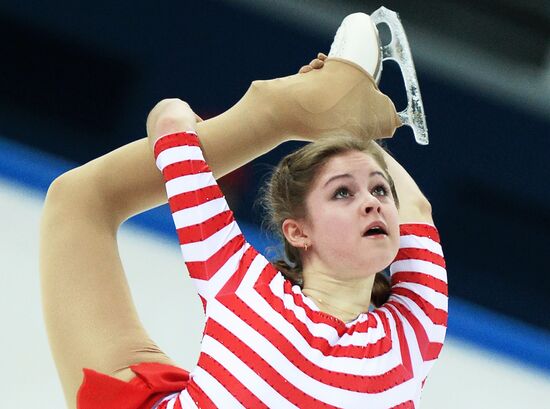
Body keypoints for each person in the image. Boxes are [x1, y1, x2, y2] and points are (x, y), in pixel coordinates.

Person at [40, 18, 447, 409]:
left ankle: (280, 114)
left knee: (81, 199)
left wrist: (344, 121)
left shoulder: (245, 287)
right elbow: (416, 211)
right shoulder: (416, 328)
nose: (374, 202)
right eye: (344, 193)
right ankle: (299, 110)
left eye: (379, 189)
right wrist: (353, 125)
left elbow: (168, 125)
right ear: (298, 231)